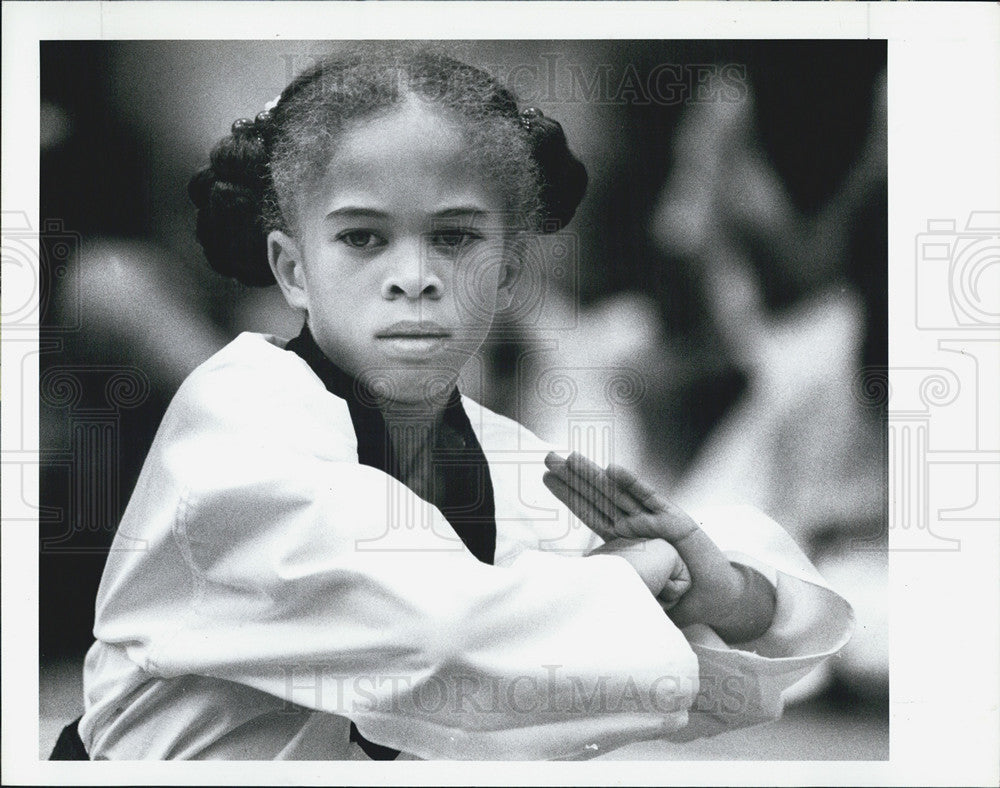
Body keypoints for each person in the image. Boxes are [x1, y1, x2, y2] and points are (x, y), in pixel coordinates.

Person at [65, 44, 852, 761]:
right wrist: (639, 577)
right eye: (363, 238)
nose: (415, 276)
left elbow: (674, 650)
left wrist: (727, 592)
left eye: (456, 237)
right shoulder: (232, 430)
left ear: (510, 272)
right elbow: (447, 637)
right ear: (292, 268)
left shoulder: (497, 455)